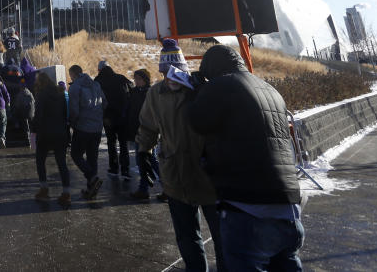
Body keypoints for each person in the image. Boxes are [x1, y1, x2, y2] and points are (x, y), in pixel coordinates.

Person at [188, 44, 304, 271]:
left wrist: (198, 93)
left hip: (247, 207)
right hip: (288, 207)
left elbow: (197, 121)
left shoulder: (221, 85)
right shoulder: (270, 89)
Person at [135, 41, 224, 272]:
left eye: (175, 71)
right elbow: (147, 126)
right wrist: (143, 151)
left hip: (208, 175)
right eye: (165, 72)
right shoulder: (155, 93)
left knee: (223, 236)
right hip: (175, 175)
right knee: (186, 237)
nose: (170, 77)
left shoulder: (202, 89)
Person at [30, 72, 72, 206]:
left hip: (45, 134)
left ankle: (44, 190)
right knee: (62, 163)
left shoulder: (41, 95)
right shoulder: (61, 93)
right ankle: (66, 193)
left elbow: (38, 115)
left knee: (40, 161)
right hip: (60, 133)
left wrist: (34, 130)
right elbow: (66, 114)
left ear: (40, 83)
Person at [67, 64, 106, 199]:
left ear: (73, 74)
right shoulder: (96, 85)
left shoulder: (75, 87)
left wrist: (72, 123)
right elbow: (104, 103)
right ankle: (91, 190)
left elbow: (74, 110)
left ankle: (92, 178)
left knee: (75, 154)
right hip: (97, 128)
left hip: (83, 127)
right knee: (92, 157)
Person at [94, 60, 134, 177]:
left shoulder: (98, 81)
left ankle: (114, 168)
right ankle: (125, 169)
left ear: (99, 70)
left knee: (111, 143)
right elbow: (131, 89)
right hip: (122, 116)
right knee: (123, 143)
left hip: (108, 118)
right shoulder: (121, 78)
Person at [126, 69, 159, 198]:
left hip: (148, 132)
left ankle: (167, 187)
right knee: (141, 161)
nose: (136, 81)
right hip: (137, 131)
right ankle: (143, 189)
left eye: (139, 79)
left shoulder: (151, 93)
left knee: (152, 160)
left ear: (145, 79)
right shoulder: (134, 92)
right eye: (135, 79)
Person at [11, 81, 35, 146]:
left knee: (26, 127)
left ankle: (28, 141)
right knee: (31, 127)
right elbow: (34, 102)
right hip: (32, 113)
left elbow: (17, 105)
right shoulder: (30, 93)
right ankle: (33, 141)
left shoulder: (20, 94)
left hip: (25, 113)